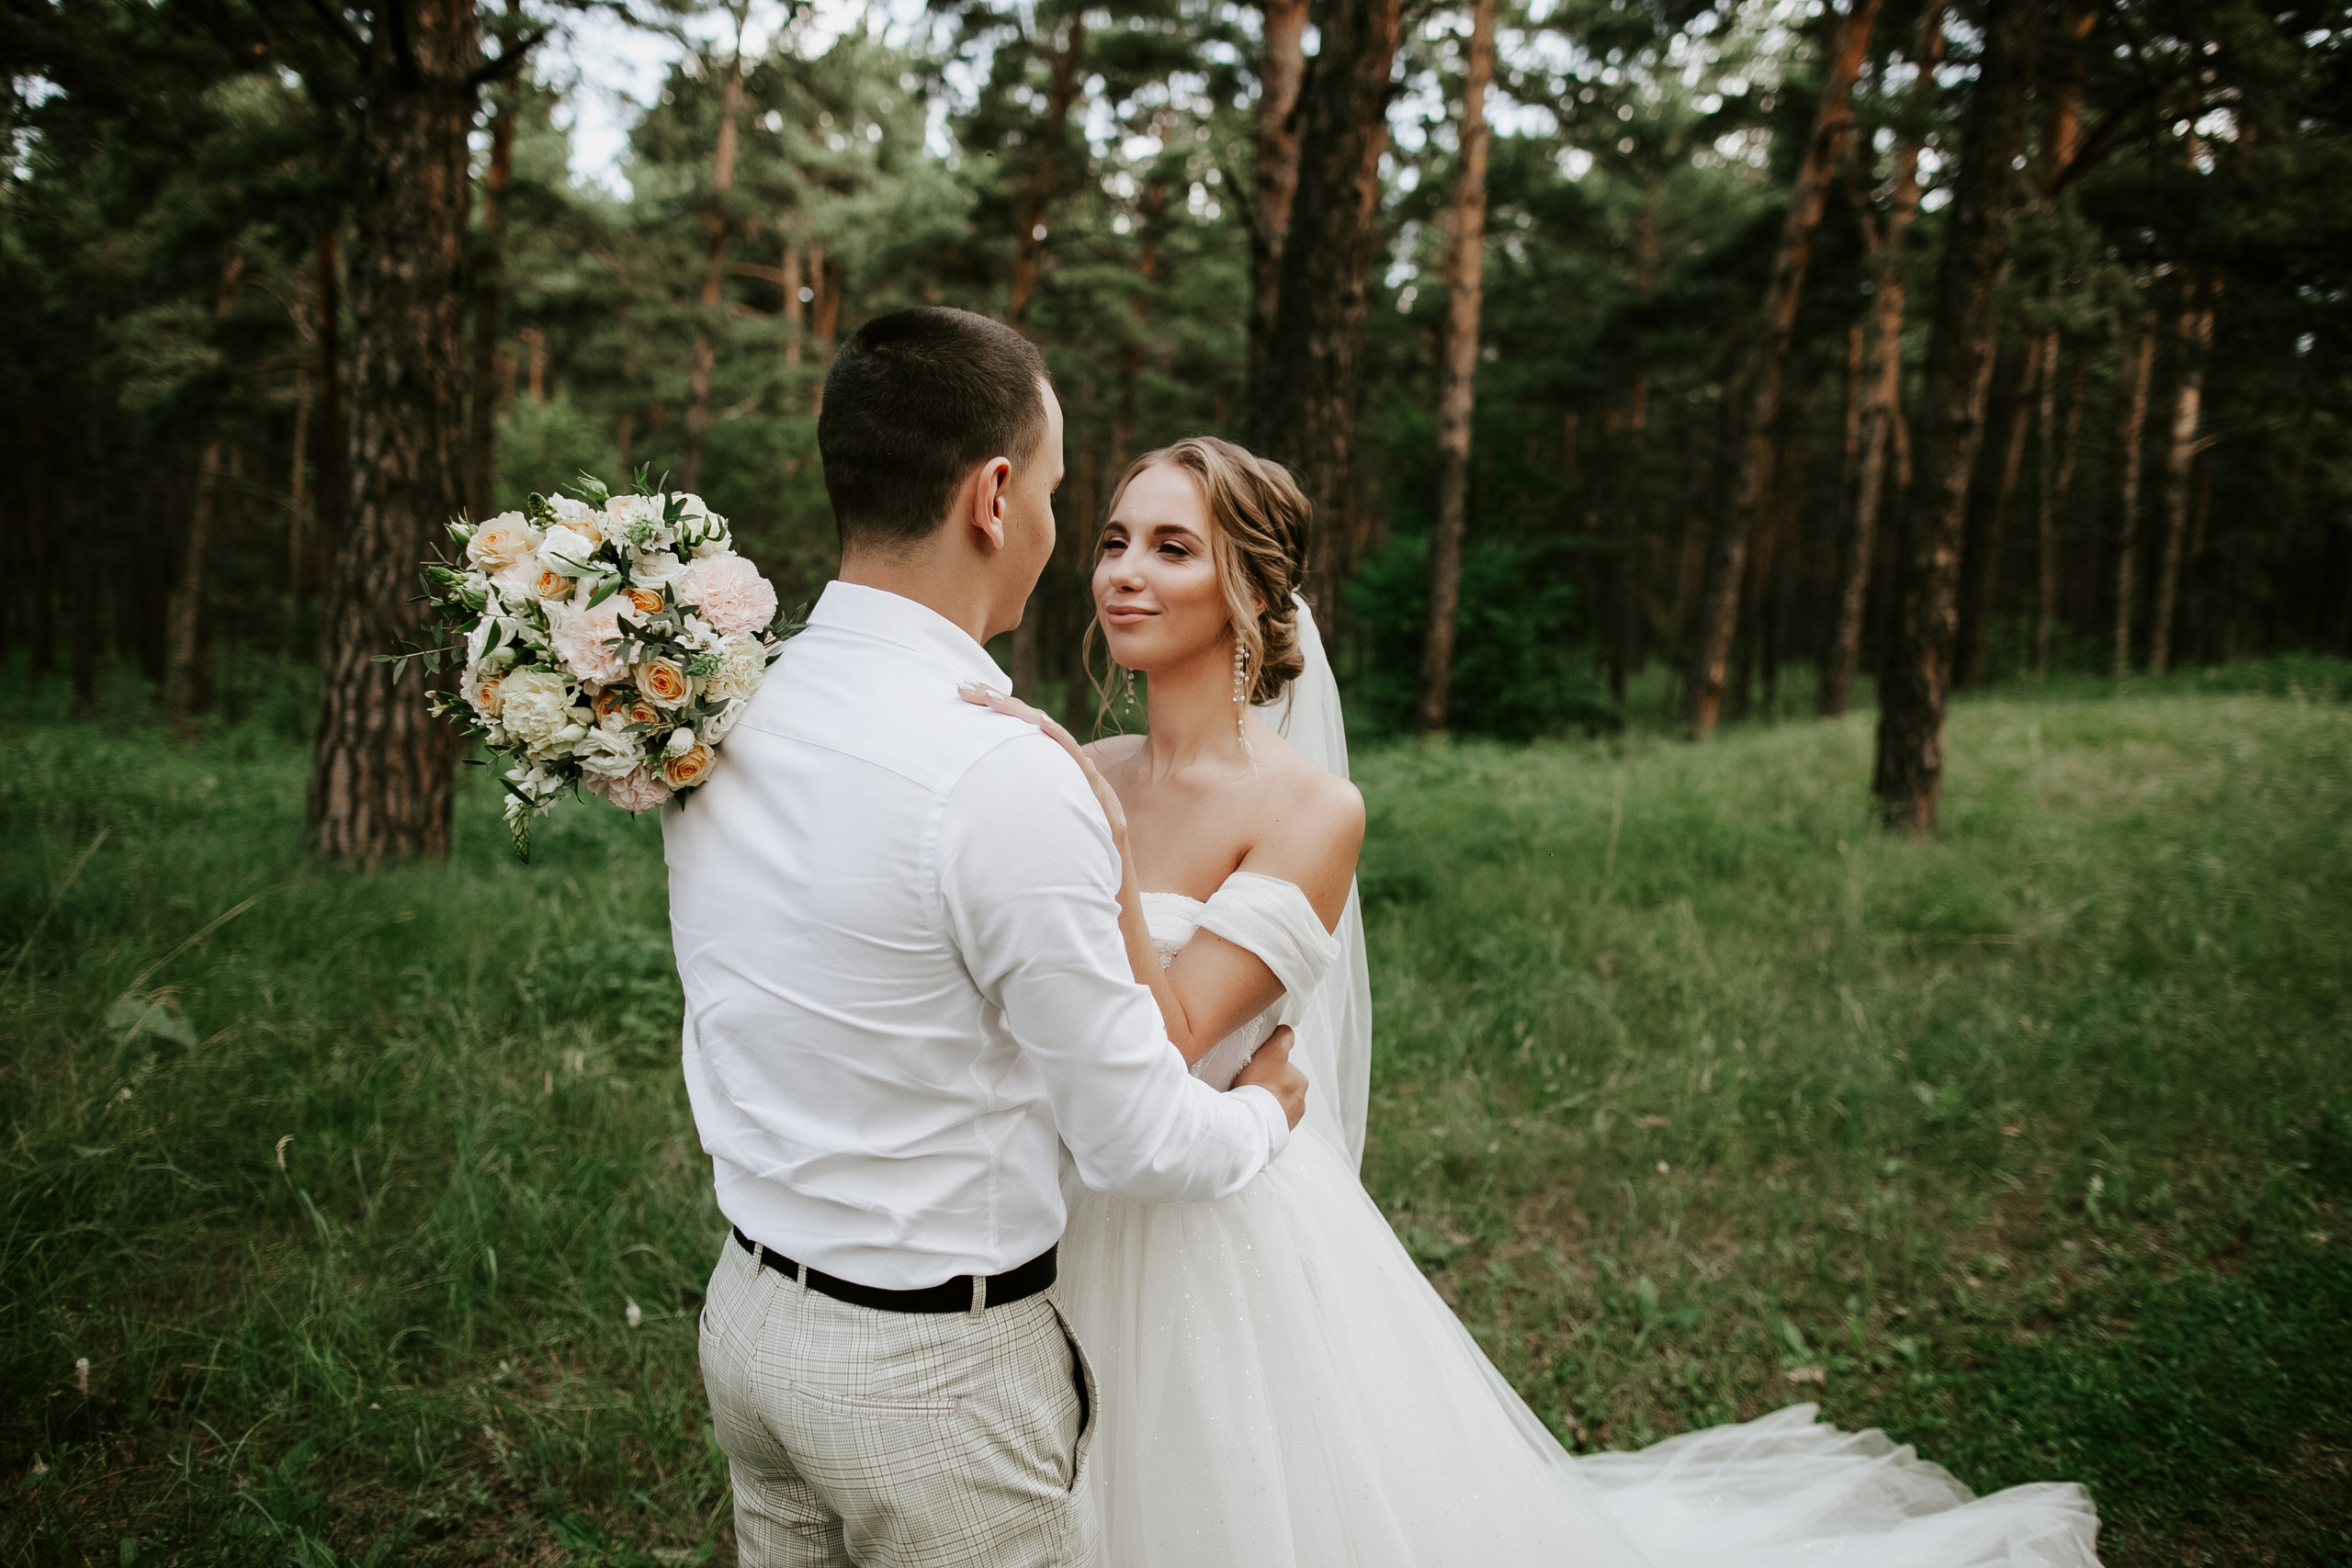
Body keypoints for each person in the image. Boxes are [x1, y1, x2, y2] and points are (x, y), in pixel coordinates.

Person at [962, 435, 2105, 1568]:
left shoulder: (1309, 809)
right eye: (1114, 540)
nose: (1123, 571)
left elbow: (1167, 1037)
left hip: (1207, 1233)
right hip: (1056, 1201)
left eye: (1172, 548)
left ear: (1252, 591)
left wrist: (1105, 853)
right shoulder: (1090, 767)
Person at [664, 310, 1310, 1568]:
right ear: (995, 494)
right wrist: (1272, 1108)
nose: (1085, 545)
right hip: (930, 1381)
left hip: (745, 1320)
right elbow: (1136, 1136)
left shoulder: (730, 700)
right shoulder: (997, 770)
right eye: (1073, 498)